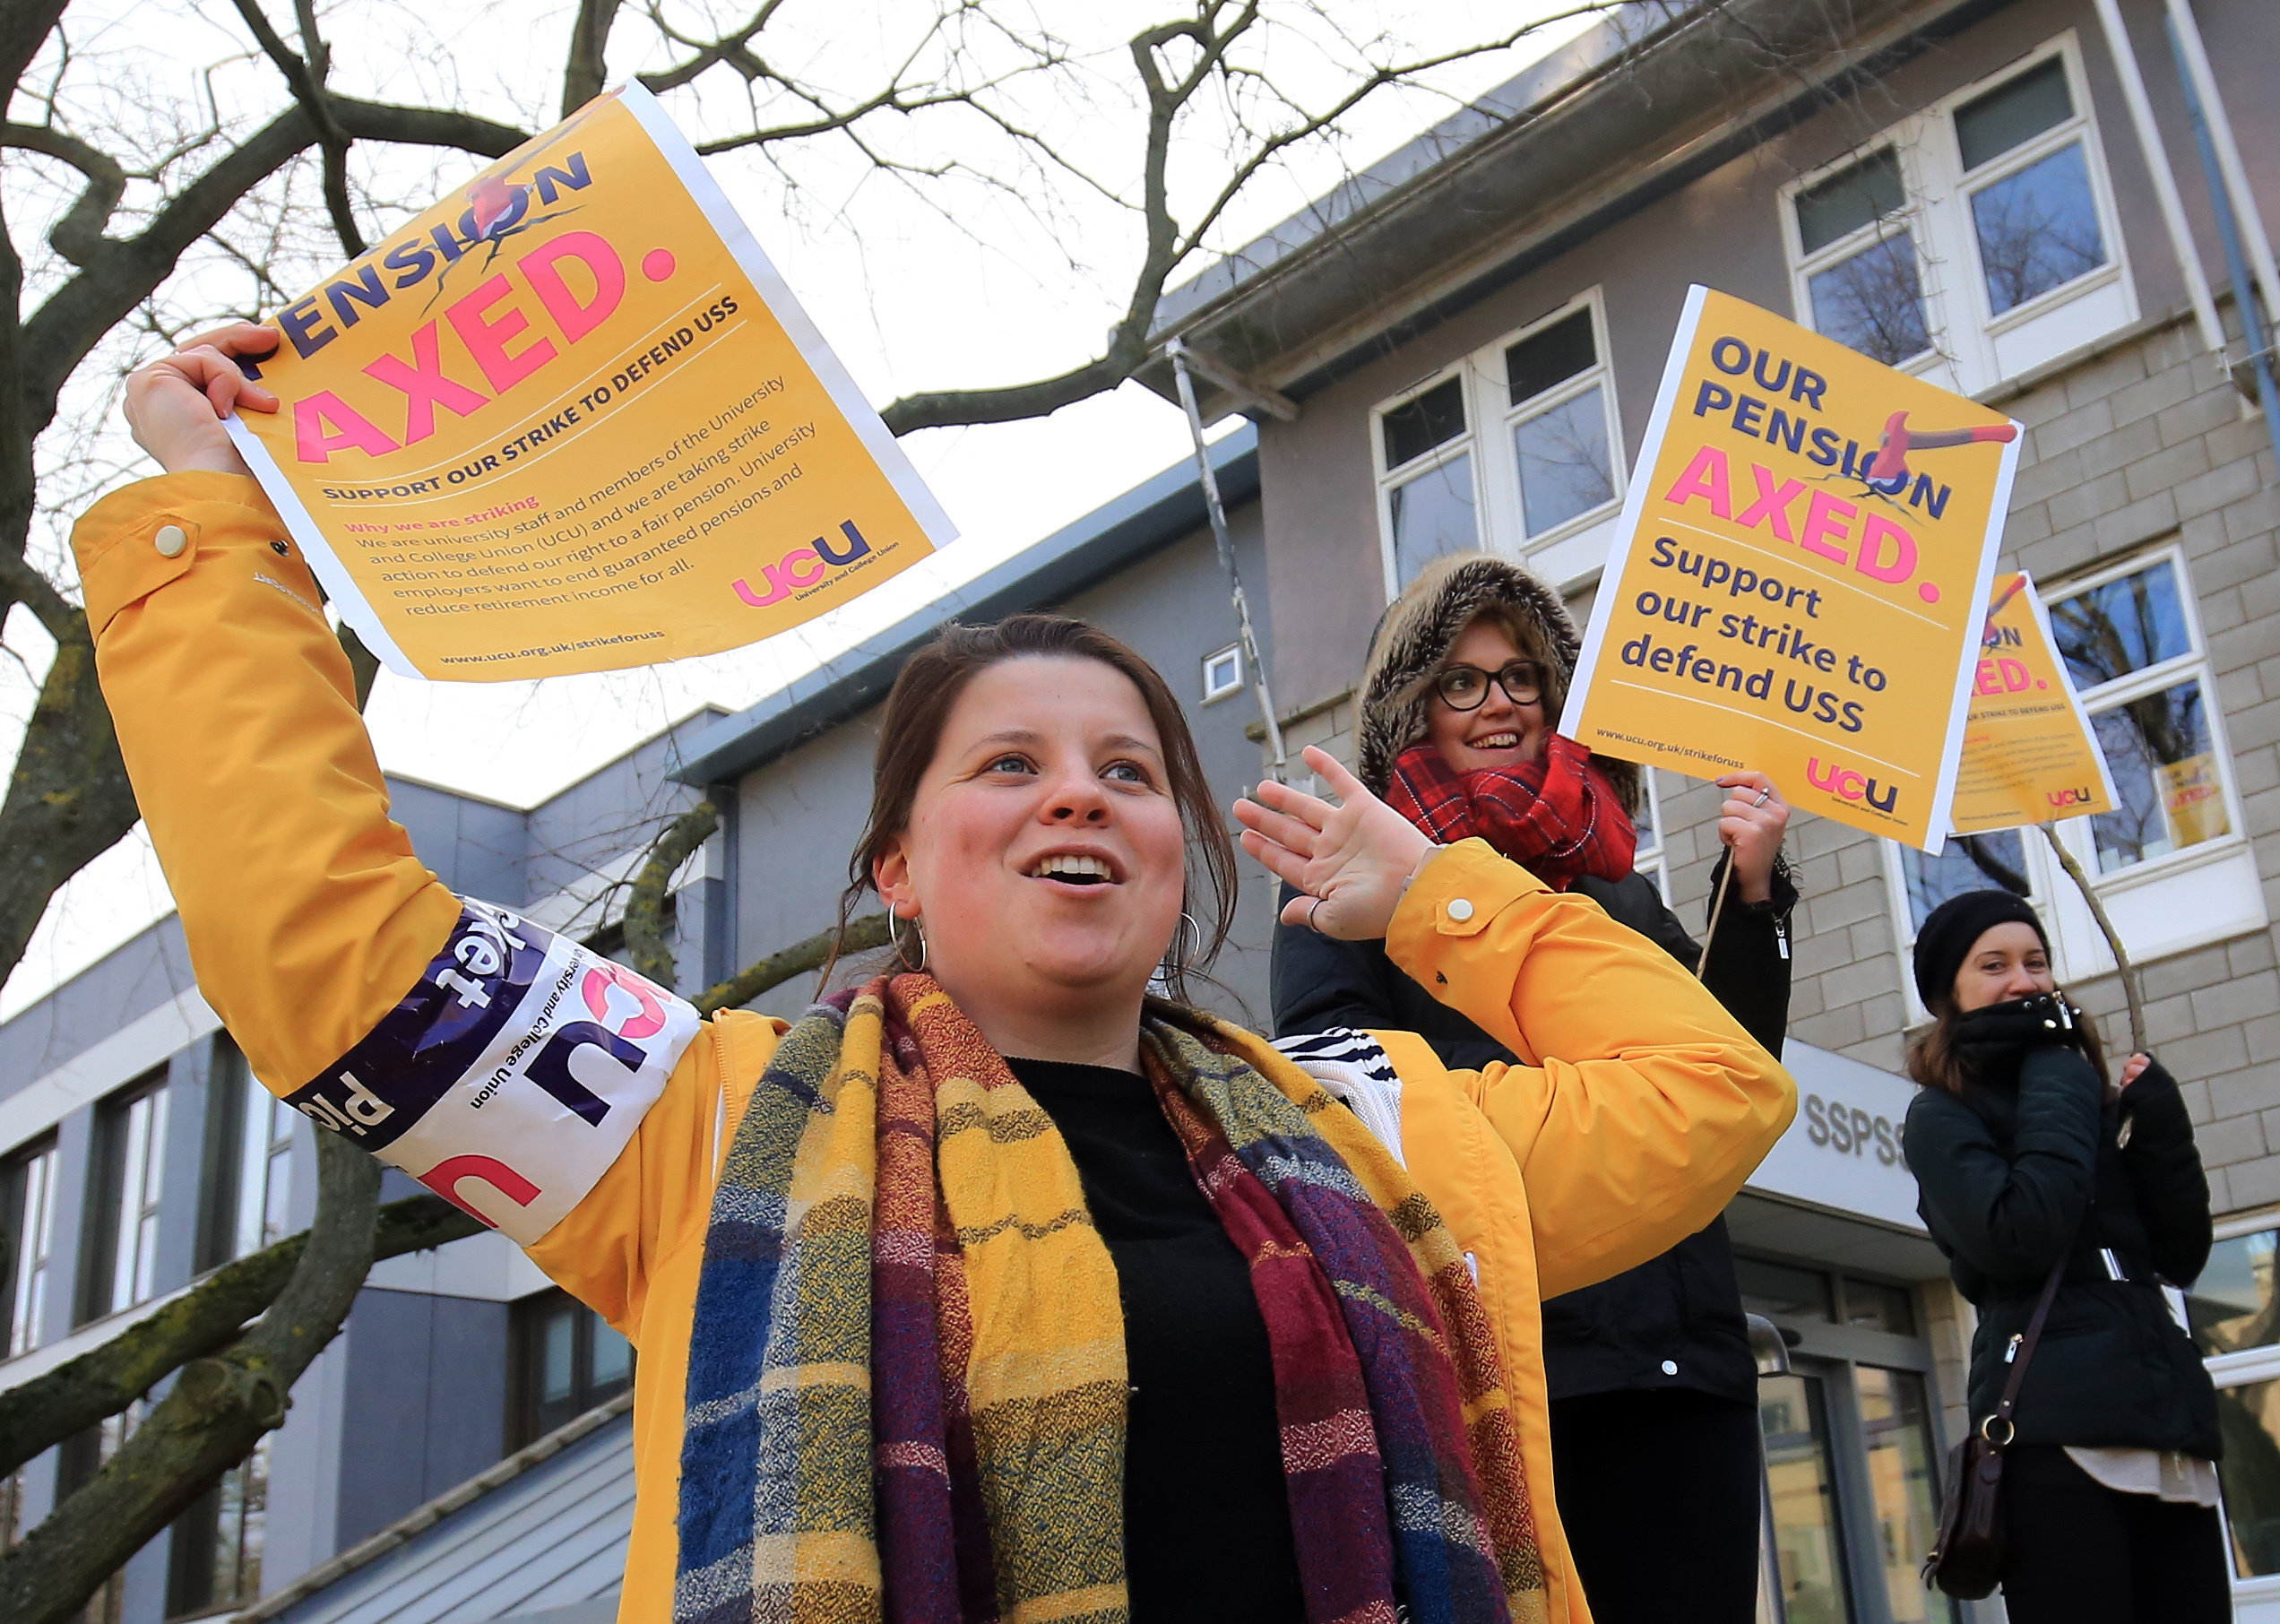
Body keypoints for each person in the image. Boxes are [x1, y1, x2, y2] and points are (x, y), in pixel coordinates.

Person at [86, 322, 1794, 1624]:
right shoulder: (703, 1127)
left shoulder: (1374, 1130)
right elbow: (328, 947)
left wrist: (1439, 894)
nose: (1075, 790)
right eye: (1006, 764)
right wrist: (207, 525)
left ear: (1180, 853)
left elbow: (1714, 1094)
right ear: (896, 866)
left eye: (1129, 771)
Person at [1272, 553, 1795, 1624]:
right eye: (1461, 680)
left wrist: (1751, 895)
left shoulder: (1616, 885)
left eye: (1521, 676)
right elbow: (1357, 1106)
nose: (1498, 702)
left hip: (1678, 1352)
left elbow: (1724, 1066)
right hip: (1499, 1365)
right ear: (1411, 707)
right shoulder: (1346, 882)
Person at [1902, 889, 2228, 1623]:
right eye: (1995, 964)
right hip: (2057, 1445)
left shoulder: (2084, 1097)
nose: (2024, 980)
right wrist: (2057, 1072)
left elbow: (2180, 1256)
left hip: (2171, 1441)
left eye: (2036, 961)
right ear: (1949, 994)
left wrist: (2162, 1132)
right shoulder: (1942, 1114)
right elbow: (2022, 1235)